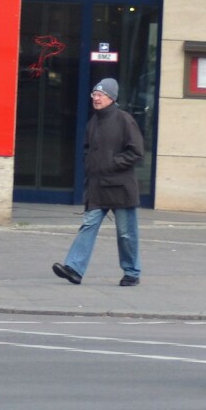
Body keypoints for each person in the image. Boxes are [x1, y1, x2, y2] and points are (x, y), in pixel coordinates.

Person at [52, 78, 144, 286]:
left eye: (100, 95)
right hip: (97, 187)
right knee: (88, 225)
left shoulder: (125, 120)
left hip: (121, 188)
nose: (96, 98)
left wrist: (112, 163)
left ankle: (132, 272)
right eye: (94, 94)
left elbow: (136, 152)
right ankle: (74, 268)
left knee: (126, 234)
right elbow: (87, 150)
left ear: (111, 98)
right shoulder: (93, 122)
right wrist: (91, 167)